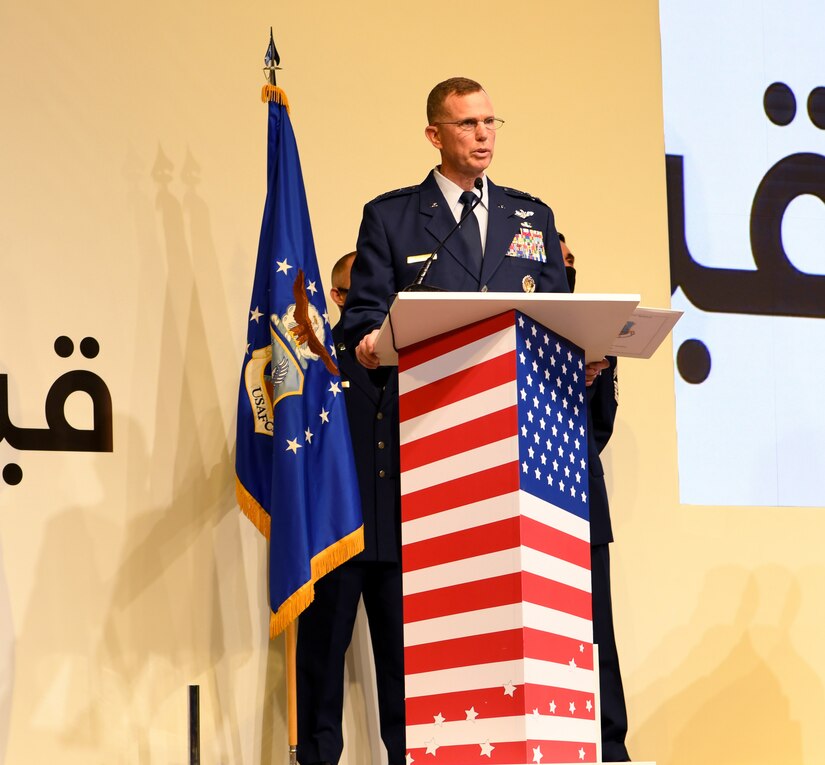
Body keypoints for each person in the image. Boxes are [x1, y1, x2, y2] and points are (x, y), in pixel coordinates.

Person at [296, 252, 406, 765]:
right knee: (322, 660)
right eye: (362, 288)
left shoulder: (417, 356)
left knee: (406, 669)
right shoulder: (318, 357)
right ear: (340, 297)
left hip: (403, 536)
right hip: (339, 535)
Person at [560, 230, 630, 761]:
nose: (567, 268)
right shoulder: (513, 326)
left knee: (597, 637)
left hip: (583, 504)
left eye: (571, 261)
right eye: (556, 261)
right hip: (518, 503)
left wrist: (583, 382)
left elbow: (600, 427)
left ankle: (611, 748)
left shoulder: (597, 337)